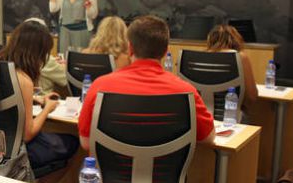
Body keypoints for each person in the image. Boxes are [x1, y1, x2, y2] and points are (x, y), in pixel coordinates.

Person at [78, 16, 215, 150]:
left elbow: (86, 142)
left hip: (111, 172)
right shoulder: (186, 91)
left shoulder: (100, 86)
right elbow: (208, 137)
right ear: (165, 51)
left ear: (130, 48)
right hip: (165, 172)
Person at [0, 21, 79, 174]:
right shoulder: (24, 80)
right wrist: (47, 108)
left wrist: (34, 98)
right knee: (73, 142)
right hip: (18, 150)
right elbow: (28, 134)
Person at [206, 24, 259, 111]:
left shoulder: (200, 57)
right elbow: (251, 96)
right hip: (231, 117)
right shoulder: (241, 57)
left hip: (202, 116)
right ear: (236, 40)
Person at [25, 18, 67, 94]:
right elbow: (66, 80)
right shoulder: (46, 60)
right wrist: (64, 66)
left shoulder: (12, 58)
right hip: (45, 102)